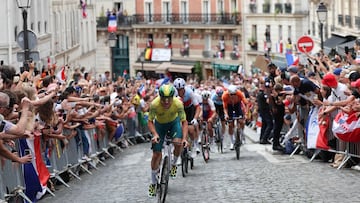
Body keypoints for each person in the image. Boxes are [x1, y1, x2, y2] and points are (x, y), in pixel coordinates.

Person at [147, 84, 188, 197]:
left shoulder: (178, 104)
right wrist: (155, 134)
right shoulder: (154, 104)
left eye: (168, 99)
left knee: (178, 142)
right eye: (163, 99)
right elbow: (150, 121)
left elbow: (184, 122)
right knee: (156, 154)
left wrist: (184, 139)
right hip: (159, 126)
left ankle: (174, 164)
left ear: (172, 97)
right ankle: (153, 183)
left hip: (173, 124)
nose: (166, 102)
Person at [173, 78, 201, 154]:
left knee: (191, 130)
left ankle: (194, 145)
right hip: (178, 109)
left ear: (184, 88)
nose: (179, 92)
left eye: (181, 89)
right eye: (177, 89)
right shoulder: (173, 93)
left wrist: (195, 118)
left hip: (189, 109)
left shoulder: (189, 92)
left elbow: (198, 107)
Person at [222, 85, 249, 150]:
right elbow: (225, 108)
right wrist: (226, 115)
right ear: (229, 93)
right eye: (231, 95)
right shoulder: (225, 96)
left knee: (241, 121)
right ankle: (232, 142)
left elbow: (246, 104)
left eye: (234, 94)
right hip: (229, 106)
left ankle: (242, 134)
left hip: (237, 105)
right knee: (230, 125)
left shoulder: (239, 93)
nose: (233, 96)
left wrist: (246, 114)